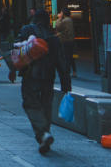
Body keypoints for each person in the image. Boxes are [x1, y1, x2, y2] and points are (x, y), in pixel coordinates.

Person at [13, 9, 71, 155]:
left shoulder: (27, 30)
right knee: (46, 105)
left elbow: (16, 51)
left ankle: (43, 134)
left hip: (30, 75)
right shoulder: (54, 37)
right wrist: (66, 83)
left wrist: (12, 70)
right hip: (49, 77)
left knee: (31, 103)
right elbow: (62, 61)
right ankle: (45, 135)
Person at [55, 8, 76, 77]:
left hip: (65, 40)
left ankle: (67, 71)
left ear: (63, 13)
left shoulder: (65, 20)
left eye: (61, 12)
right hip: (70, 40)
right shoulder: (69, 20)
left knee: (66, 56)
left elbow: (57, 26)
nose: (59, 14)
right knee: (70, 56)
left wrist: (58, 19)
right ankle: (73, 71)